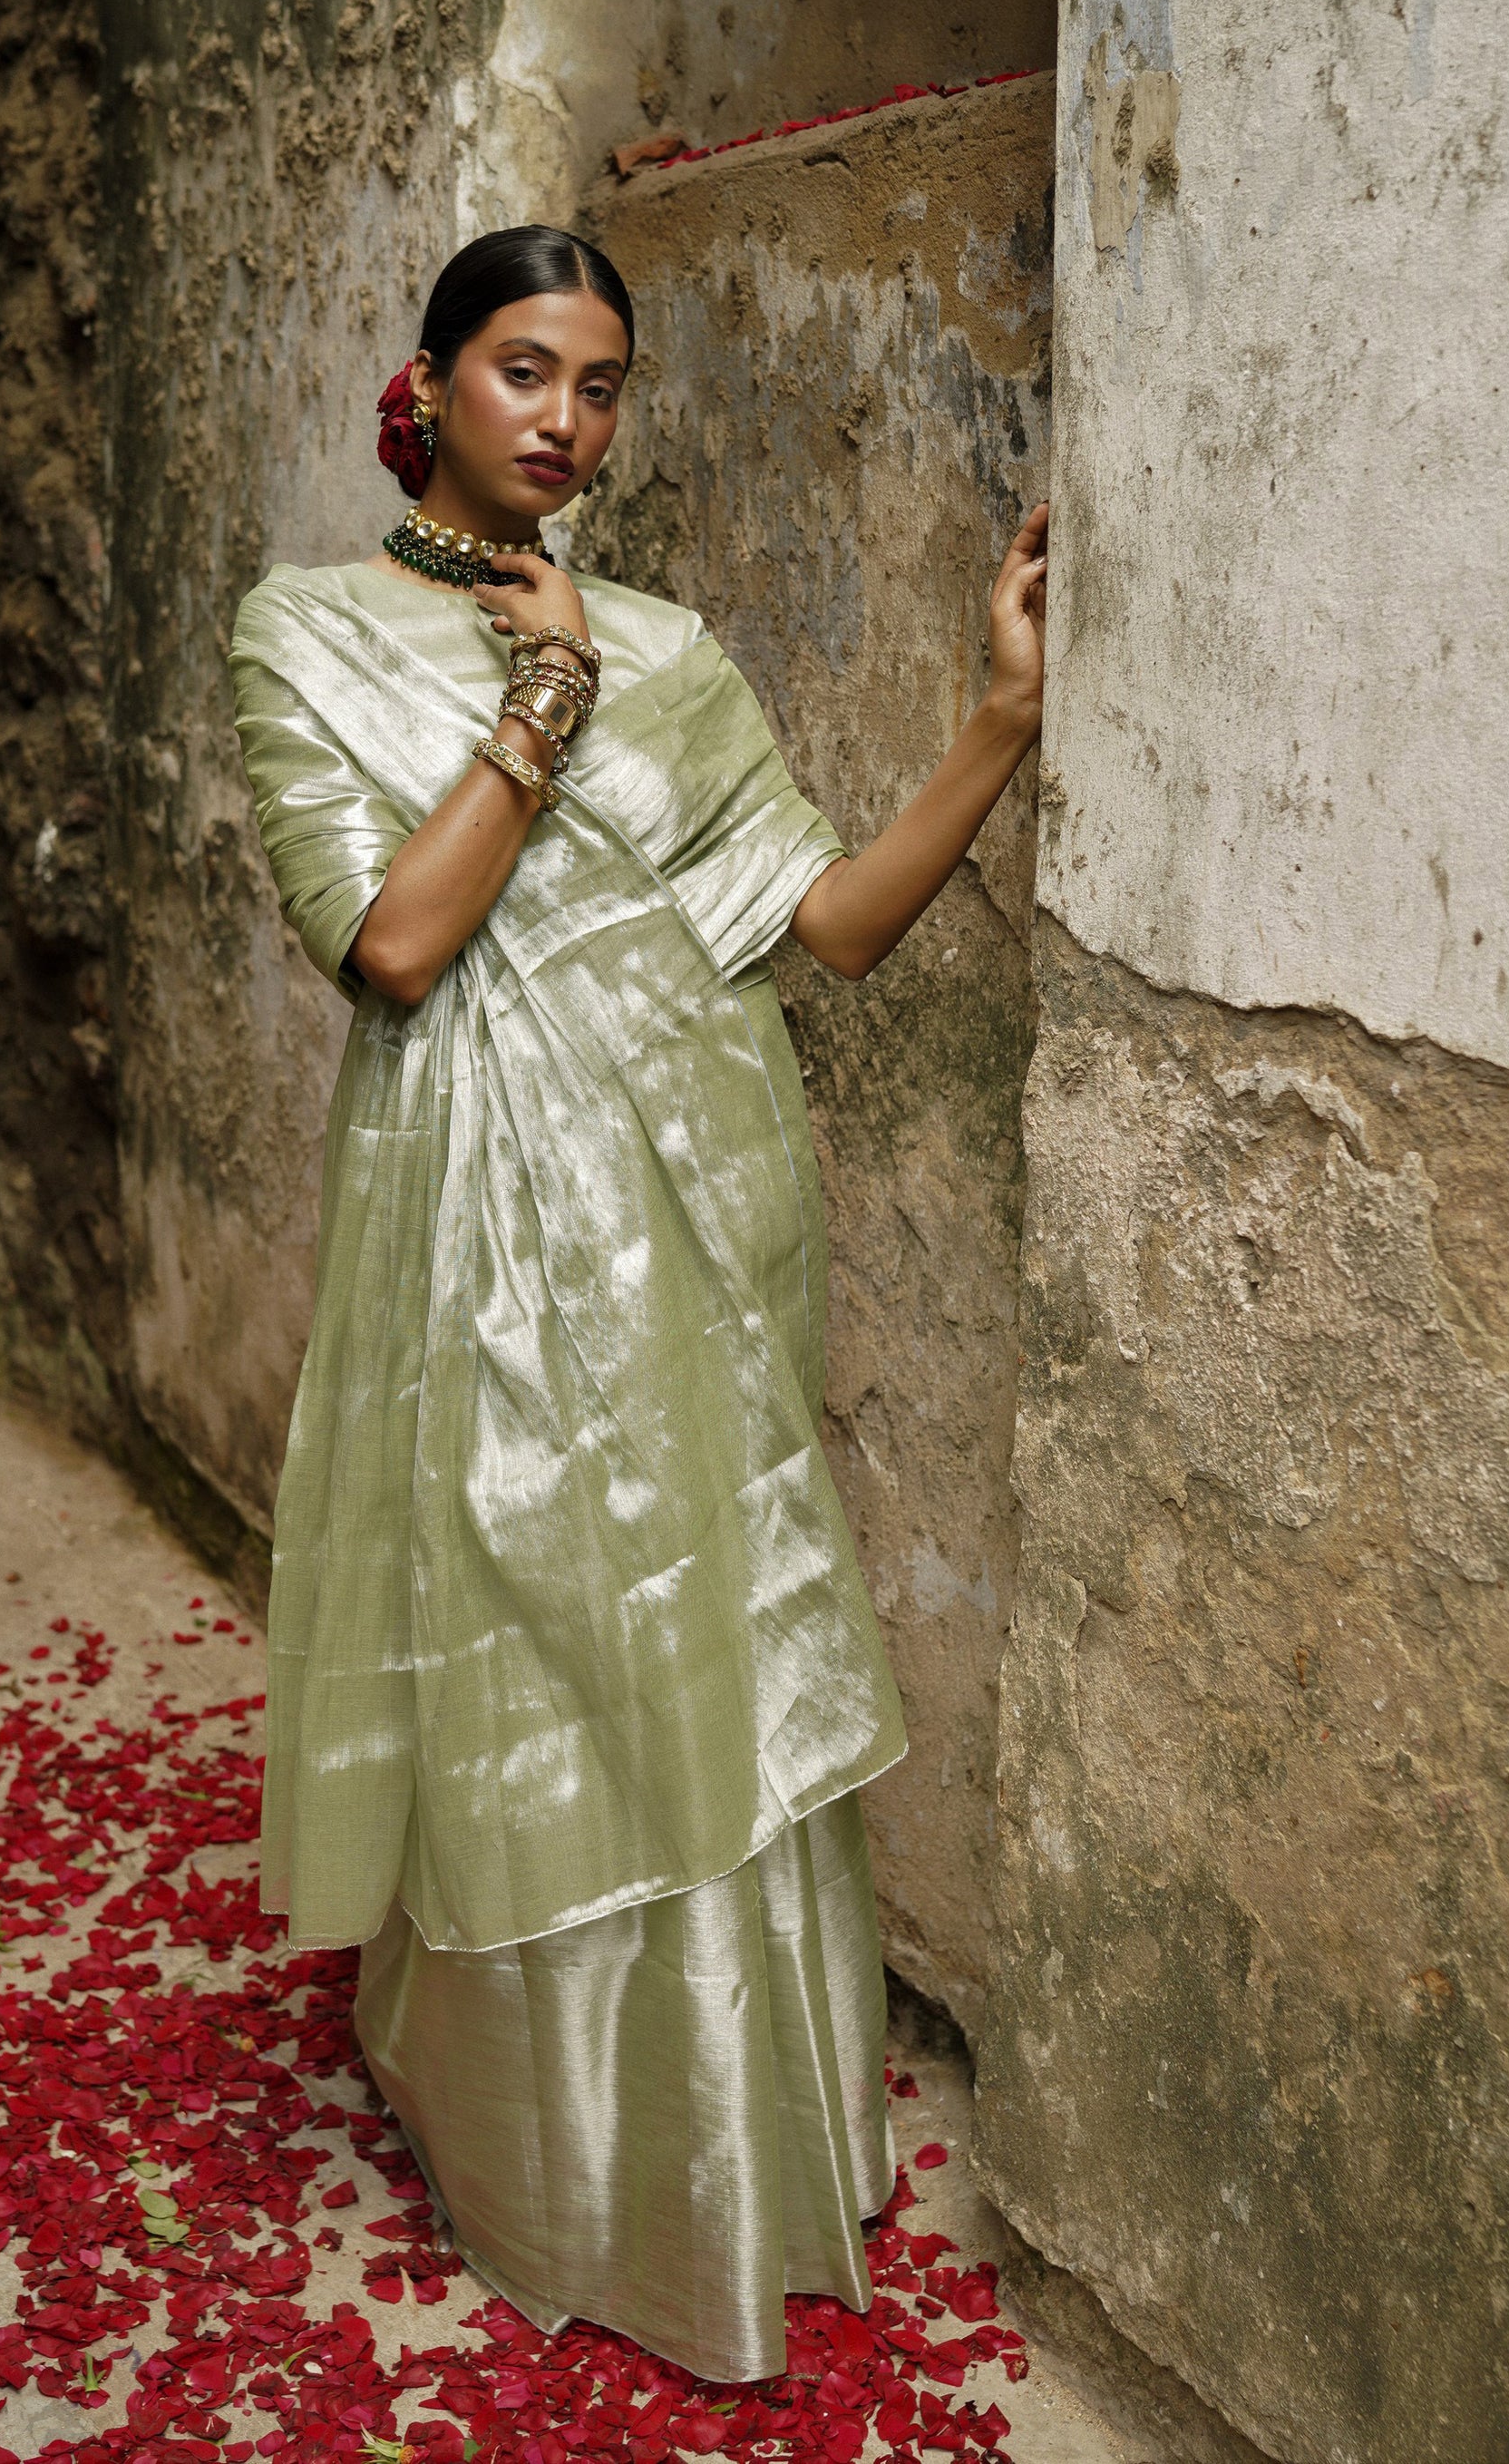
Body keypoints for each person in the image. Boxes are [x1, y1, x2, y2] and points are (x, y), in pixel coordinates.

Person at [229, 224, 1047, 2381]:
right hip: (475, 1219)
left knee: (705, 1643)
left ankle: (734, 2134)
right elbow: (391, 946)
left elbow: (829, 924)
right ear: (430, 380)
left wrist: (998, 717)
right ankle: (555, 2151)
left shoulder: (673, 647)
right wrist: (540, 696)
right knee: (531, 1642)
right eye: (523, 367)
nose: (563, 418)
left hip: (702, 1207)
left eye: (599, 384)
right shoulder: (305, 631)